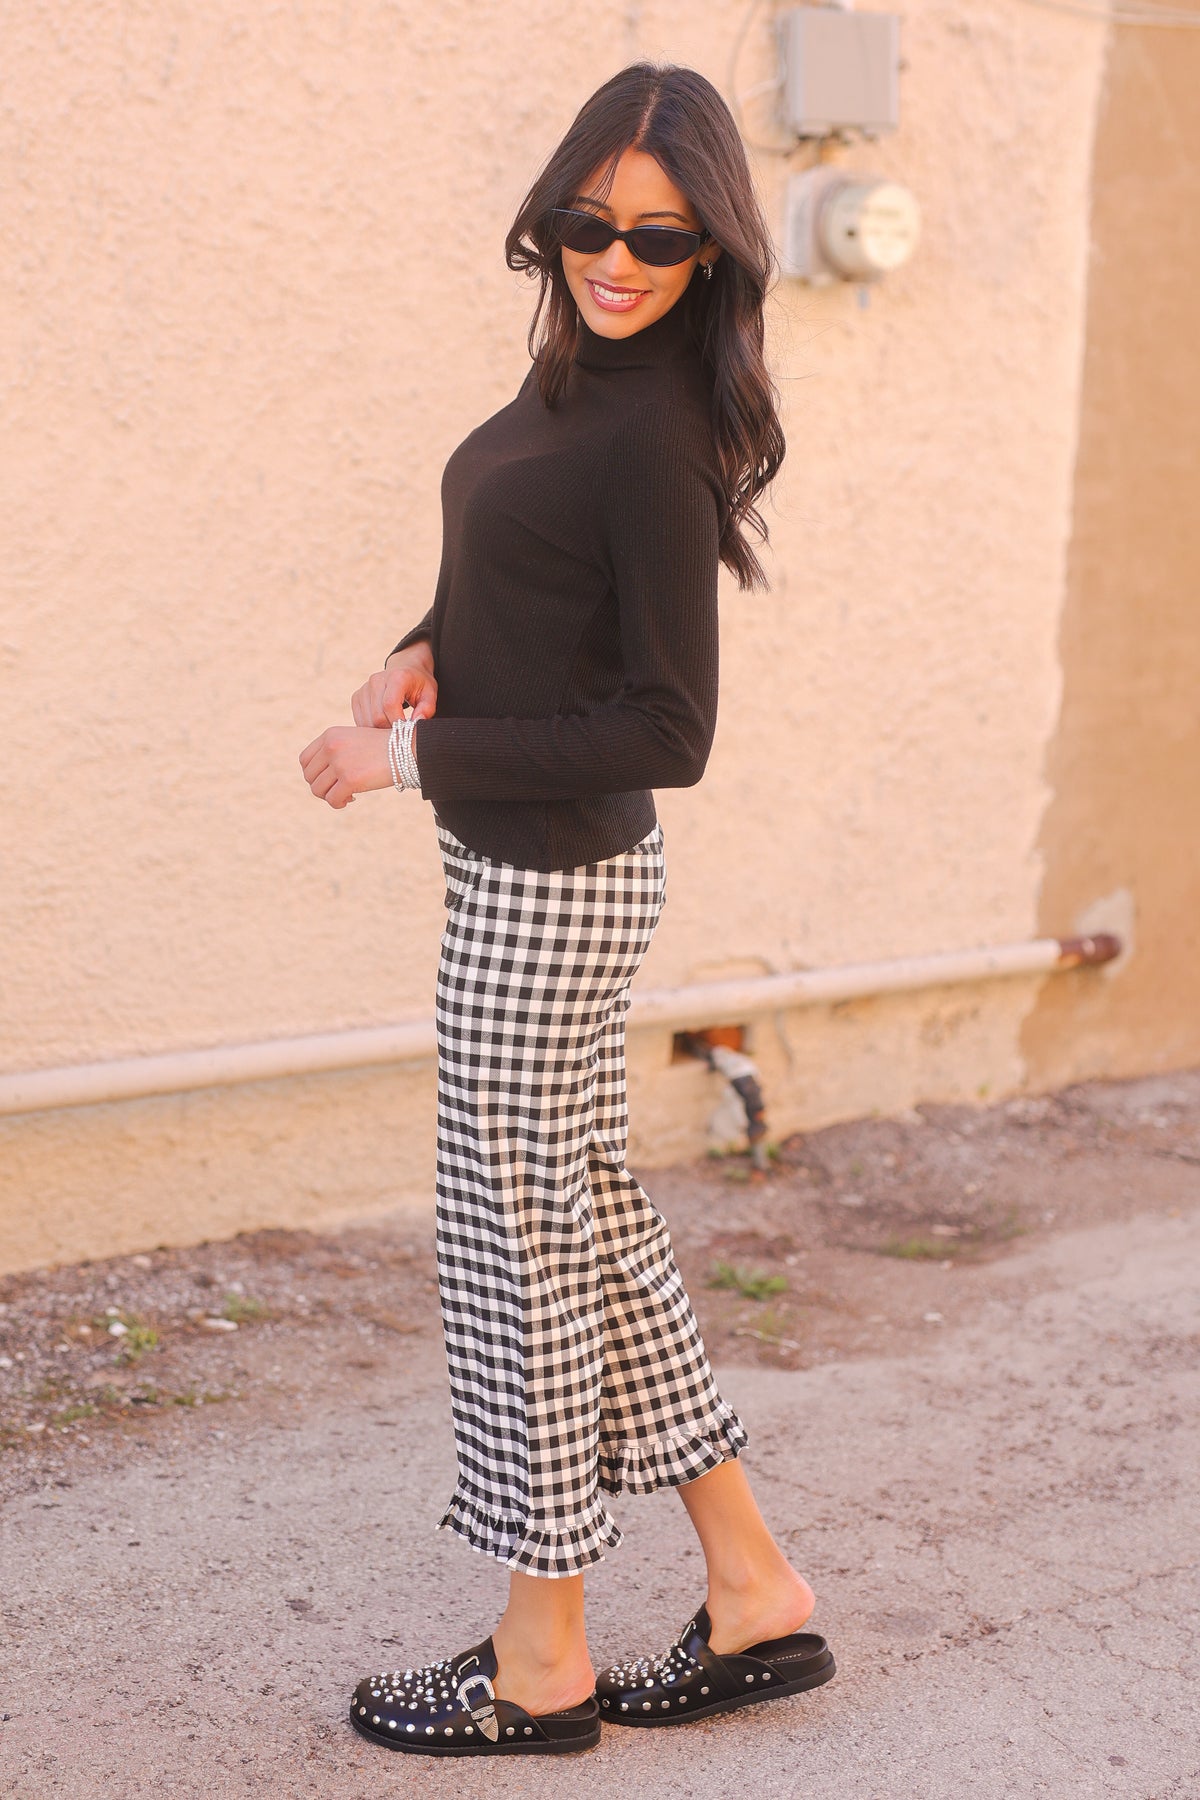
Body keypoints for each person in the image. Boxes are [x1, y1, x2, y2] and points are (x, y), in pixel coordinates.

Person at [299, 60, 835, 1759]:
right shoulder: (573, 381)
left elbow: (666, 730)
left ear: (713, 252)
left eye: (661, 238)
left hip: (554, 888)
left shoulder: (658, 432)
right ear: (553, 215)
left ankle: (542, 1662)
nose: (618, 259)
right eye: (593, 224)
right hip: (519, 871)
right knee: (582, 1225)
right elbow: (522, 583)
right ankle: (753, 1591)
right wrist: (422, 641)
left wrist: (411, 760)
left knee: (512, 1255)